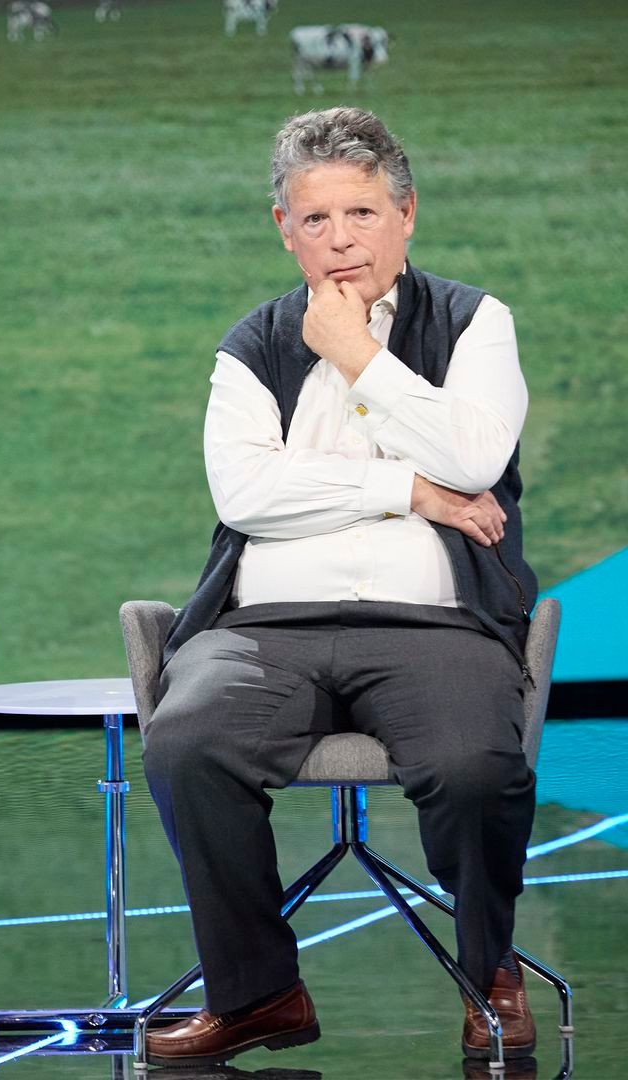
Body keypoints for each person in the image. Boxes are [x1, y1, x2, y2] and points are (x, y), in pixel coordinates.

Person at [142, 109, 538, 1068]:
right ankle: (259, 993)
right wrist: (410, 490)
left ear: (407, 215)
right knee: (188, 744)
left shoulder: (475, 323)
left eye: (361, 212)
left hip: (433, 624)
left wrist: (360, 357)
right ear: (285, 228)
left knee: (473, 765)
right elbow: (247, 494)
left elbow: (477, 452)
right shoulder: (251, 345)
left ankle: (491, 972)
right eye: (316, 220)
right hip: (265, 629)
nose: (340, 238)